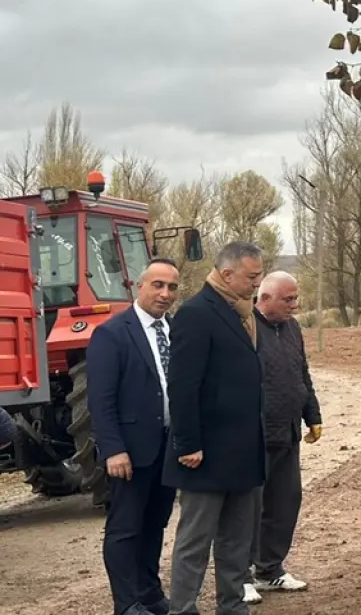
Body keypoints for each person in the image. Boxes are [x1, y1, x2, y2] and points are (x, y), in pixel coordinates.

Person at [165, 242, 268, 615]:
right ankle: (183, 608)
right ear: (227, 275)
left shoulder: (244, 312)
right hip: (204, 454)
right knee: (195, 540)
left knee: (237, 541)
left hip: (242, 451)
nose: (257, 283)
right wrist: (188, 443)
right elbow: (183, 384)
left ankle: (233, 605)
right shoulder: (196, 313)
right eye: (252, 276)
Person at [87, 258, 181, 615]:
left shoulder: (174, 330)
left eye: (172, 287)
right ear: (138, 287)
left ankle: (149, 592)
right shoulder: (112, 334)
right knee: (125, 529)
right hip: (130, 452)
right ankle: (126, 604)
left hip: (168, 448)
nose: (165, 293)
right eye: (157, 285)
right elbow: (101, 399)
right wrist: (113, 449)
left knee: (155, 523)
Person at [243, 271, 322, 603]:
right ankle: (239, 574)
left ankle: (269, 569)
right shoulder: (245, 328)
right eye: (288, 299)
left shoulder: (292, 328)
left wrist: (312, 414)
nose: (295, 304)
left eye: (295, 297)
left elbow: (301, 371)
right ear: (264, 299)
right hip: (253, 436)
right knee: (248, 508)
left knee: (285, 502)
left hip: (287, 432)